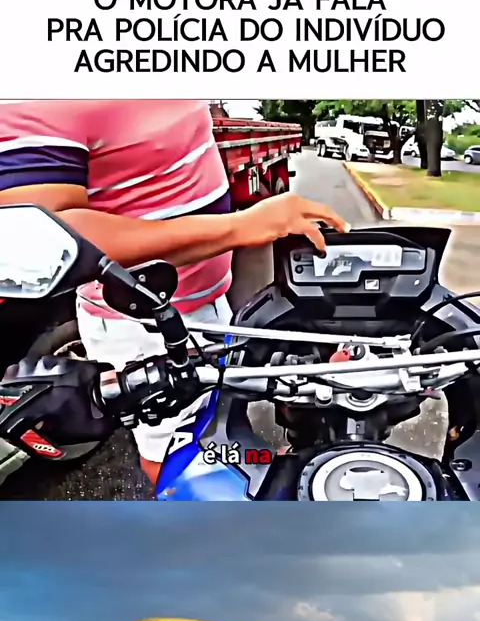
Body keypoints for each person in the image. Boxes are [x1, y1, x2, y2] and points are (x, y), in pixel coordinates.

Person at [0, 100, 348, 486]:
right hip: (141, 322)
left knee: (217, 420)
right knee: (178, 457)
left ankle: (260, 472)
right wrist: (241, 226)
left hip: (203, 302)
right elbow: (44, 232)